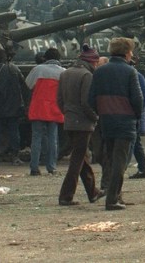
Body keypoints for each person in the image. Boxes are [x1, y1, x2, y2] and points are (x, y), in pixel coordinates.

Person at [88, 36, 143, 211]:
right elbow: (138, 99)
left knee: (110, 159)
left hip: (106, 122)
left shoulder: (100, 71)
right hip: (125, 121)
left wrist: (102, 112)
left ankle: (116, 195)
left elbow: (91, 99)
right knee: (120, 161)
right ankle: (112, 199)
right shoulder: (130, 72)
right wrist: (136, 116)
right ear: (127, 53)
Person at [56, 46, 102, 206]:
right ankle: (66, 196)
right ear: (92, 61)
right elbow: (86, 102)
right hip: (83, 123)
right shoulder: (87, 75)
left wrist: (67, 113)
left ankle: (92, 192)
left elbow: (59, 100)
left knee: (83, 158)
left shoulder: (65, 73)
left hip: (69, 121)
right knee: (77, 160)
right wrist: (95, 118)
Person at [25, 48, 64, 175]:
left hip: (38, 108)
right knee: (53, 138)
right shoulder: (63, 72)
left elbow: (28, 84)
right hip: (54, 108)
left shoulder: (38, 69)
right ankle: (51, 167)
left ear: (45, 58)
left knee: (36, 138)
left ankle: (34, 168)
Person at [129, 57, 145, 179]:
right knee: (136, 142)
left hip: (130, 114)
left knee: (134, 142)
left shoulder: (135, 76)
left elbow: (144, 97)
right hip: (134, 113)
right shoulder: (137, 75)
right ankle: (143, 168)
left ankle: (142, 167)